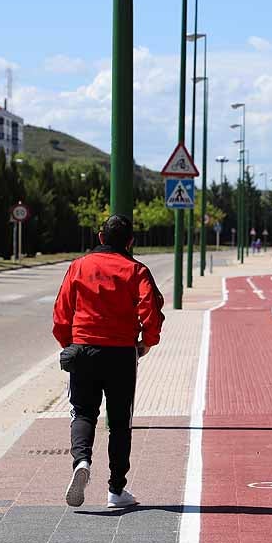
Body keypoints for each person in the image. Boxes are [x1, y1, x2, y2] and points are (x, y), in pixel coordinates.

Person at [52, 215, 165, 509]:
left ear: (101, 237)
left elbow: (61, 312)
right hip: (120, 353)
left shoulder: (78, 266)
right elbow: (150, 308)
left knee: (83, 412)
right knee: (119, 423)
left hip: (84, 349)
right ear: (130, 242)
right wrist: (146, 342)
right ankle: (116, 490)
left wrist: (70, 344)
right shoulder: (137, 270)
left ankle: (82, 461)